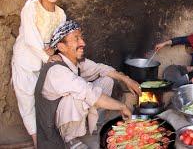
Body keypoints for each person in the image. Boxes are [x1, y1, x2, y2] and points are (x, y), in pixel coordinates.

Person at [35, 20, 142, 148]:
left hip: (66, 114)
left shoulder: (76, 61)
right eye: (76, 39)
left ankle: (95, 123)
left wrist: (127, 79)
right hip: (53, 129)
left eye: (81, 38)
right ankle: (70, 139)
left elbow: (101, 69)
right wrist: (122, 106)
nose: (83, 43)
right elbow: (89, 93)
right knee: (77, 95)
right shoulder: (57, 70)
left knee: (106, 80)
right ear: (61, 47)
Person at [11, 0, 66, 146]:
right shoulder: (31, 6)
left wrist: (53, 50)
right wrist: (46, 54)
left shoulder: (61, 14)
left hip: (44, 62)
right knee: (26, 99)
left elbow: (58, 38)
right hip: (25, 60)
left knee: (44, 100)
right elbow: (30, 37)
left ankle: (51, 134)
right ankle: (37, 142)